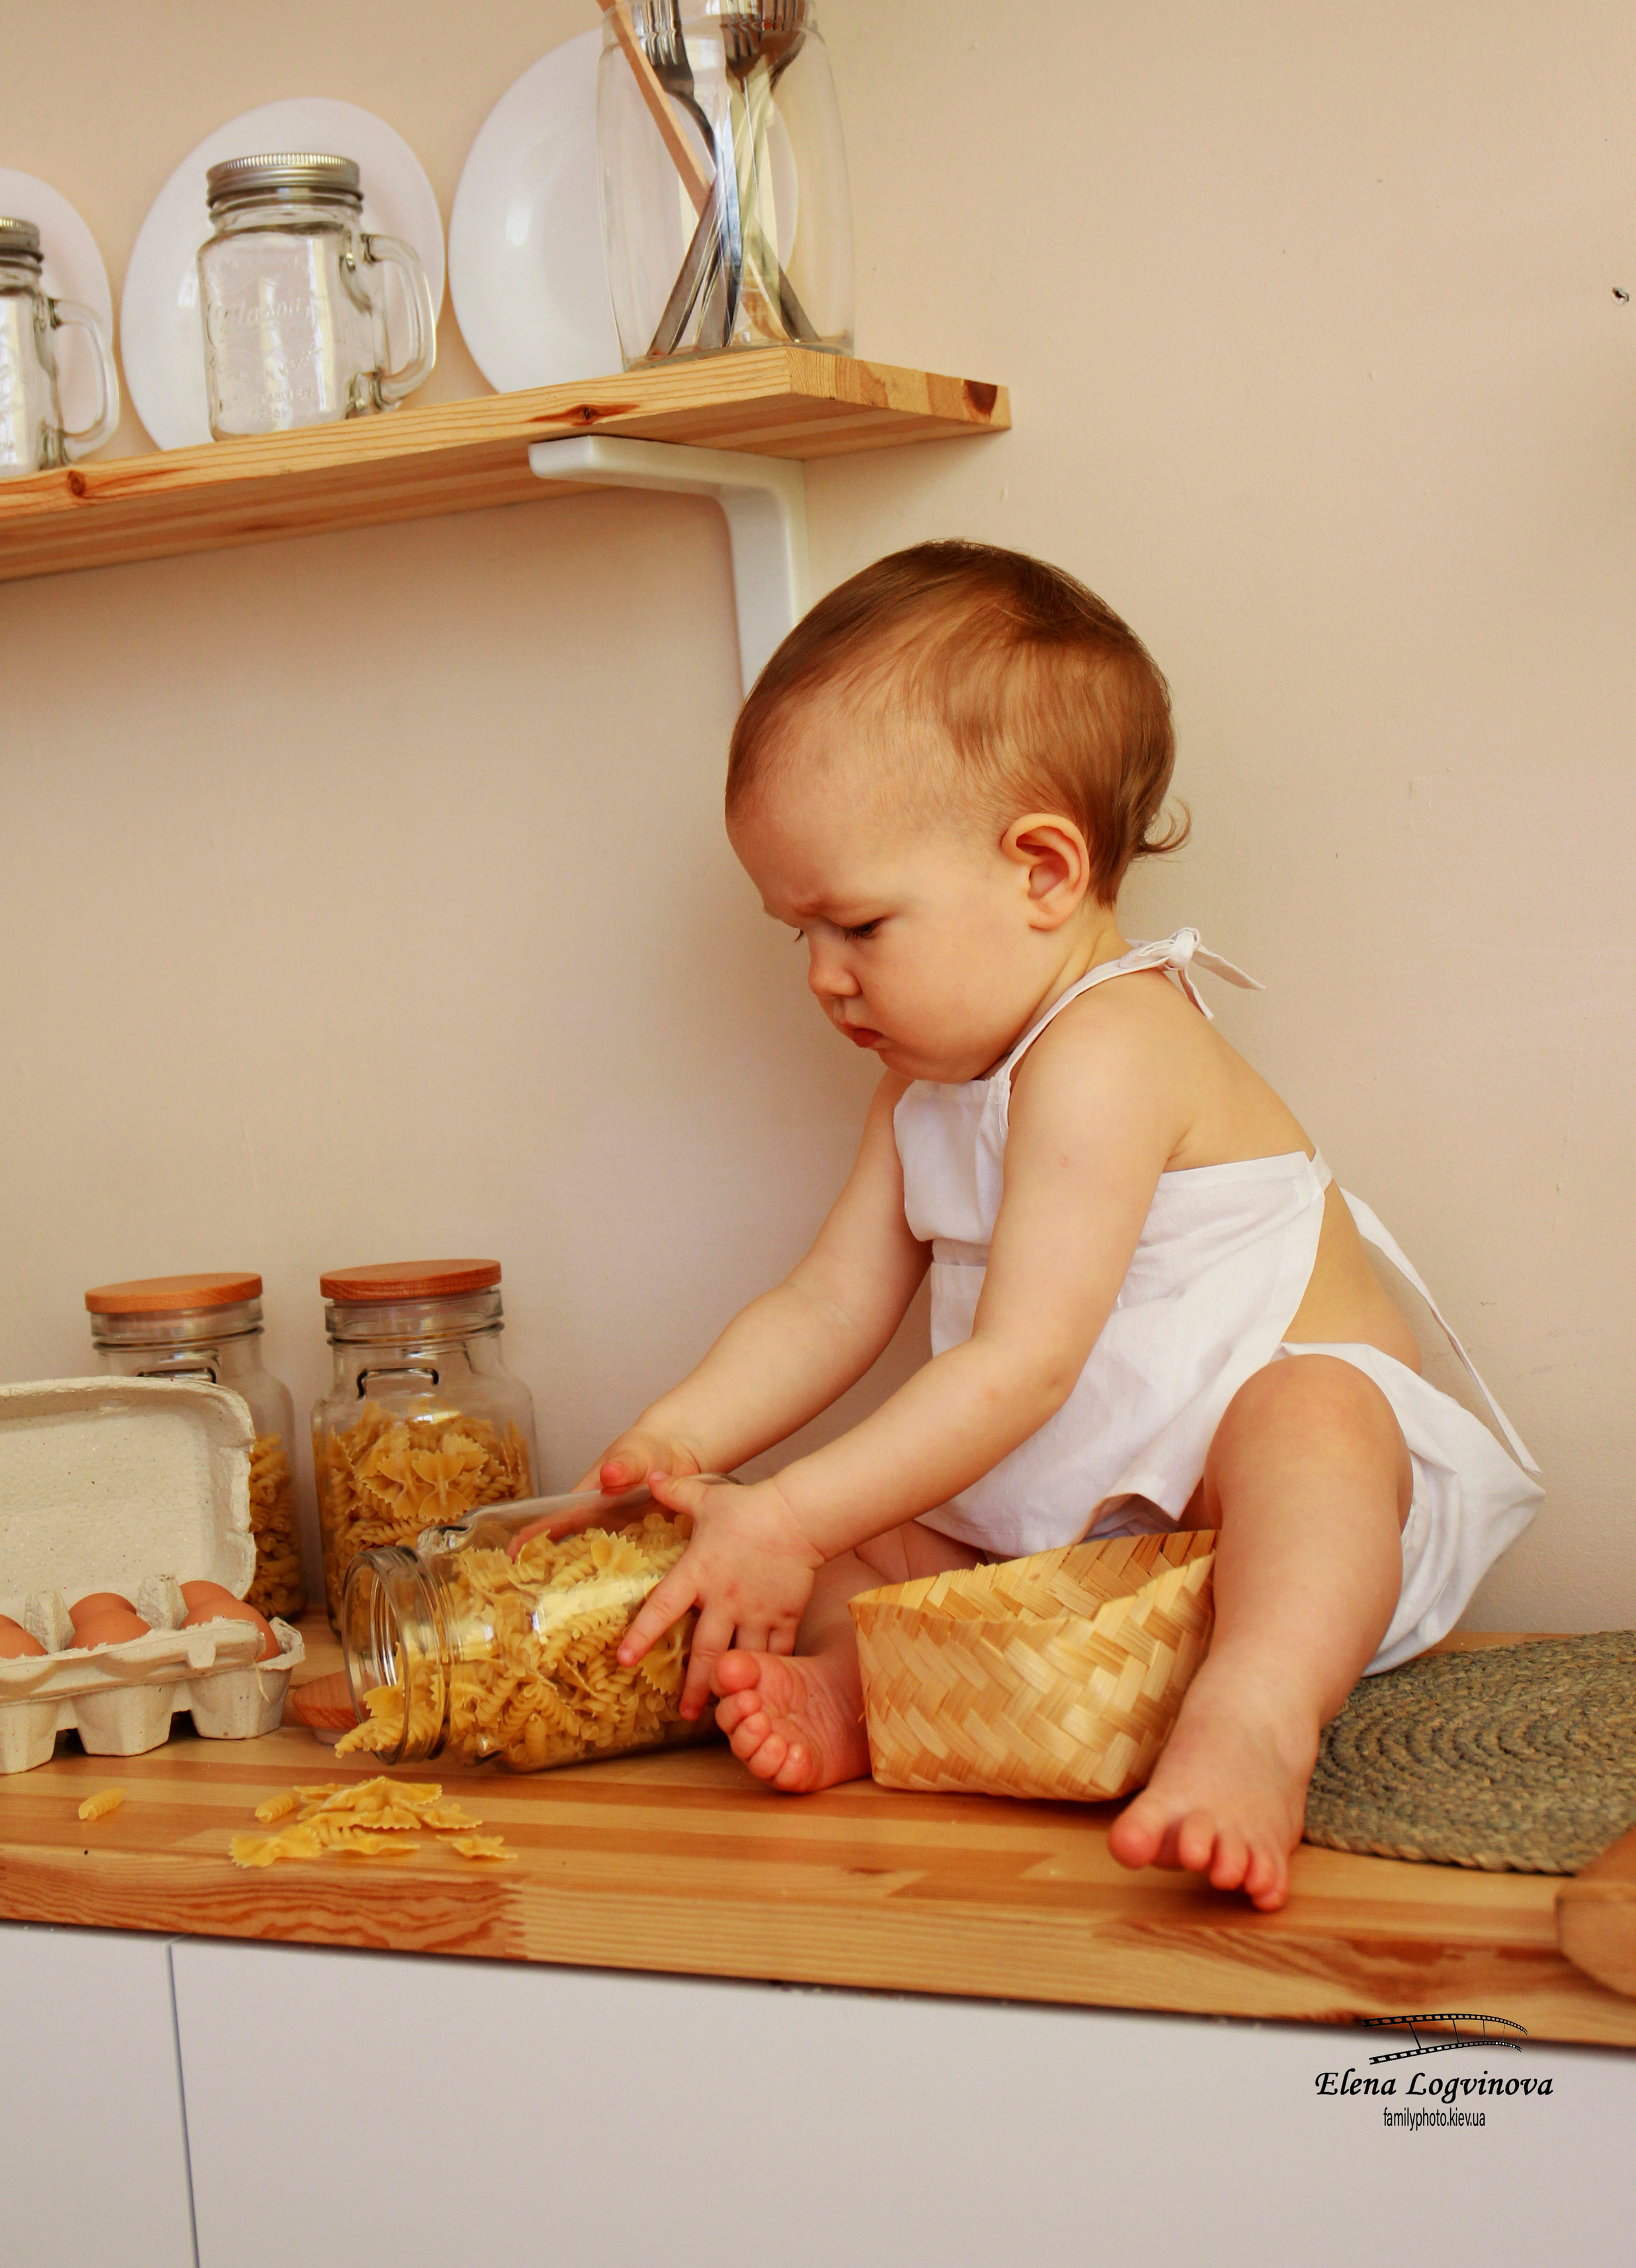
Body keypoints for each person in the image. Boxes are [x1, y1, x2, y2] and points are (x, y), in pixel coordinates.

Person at [581, 542, 1541, 1910]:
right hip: (1070, 1533)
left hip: (1255, 1511)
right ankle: (866, 1701)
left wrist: (785, 1507)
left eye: (853, 922)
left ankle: (1257, 1712)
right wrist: (669, 1450)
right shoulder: (921, 1090)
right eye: (792, 932)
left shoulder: (1112, 1044)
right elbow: (823, 1308)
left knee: (1312, 1428)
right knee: (874, 1555)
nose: (820, 978)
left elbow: (1023, 1363)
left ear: (1041, 868)